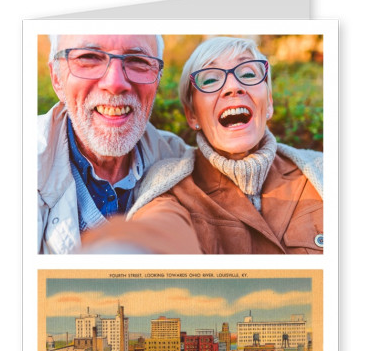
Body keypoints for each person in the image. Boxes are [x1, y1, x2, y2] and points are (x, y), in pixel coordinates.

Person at [81, 36, 323, 254]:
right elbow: (159, 229)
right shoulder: (171, 187)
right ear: (192, 115)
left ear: (268, 102)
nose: (233, 87)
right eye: (210, 79)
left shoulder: (322, 171)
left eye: (248, 74)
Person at [38, 34, 193, 254]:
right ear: (56, 78)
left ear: (157, 79)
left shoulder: (181, 162)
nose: (115, 84)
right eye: (89, 57)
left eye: (138, 61)